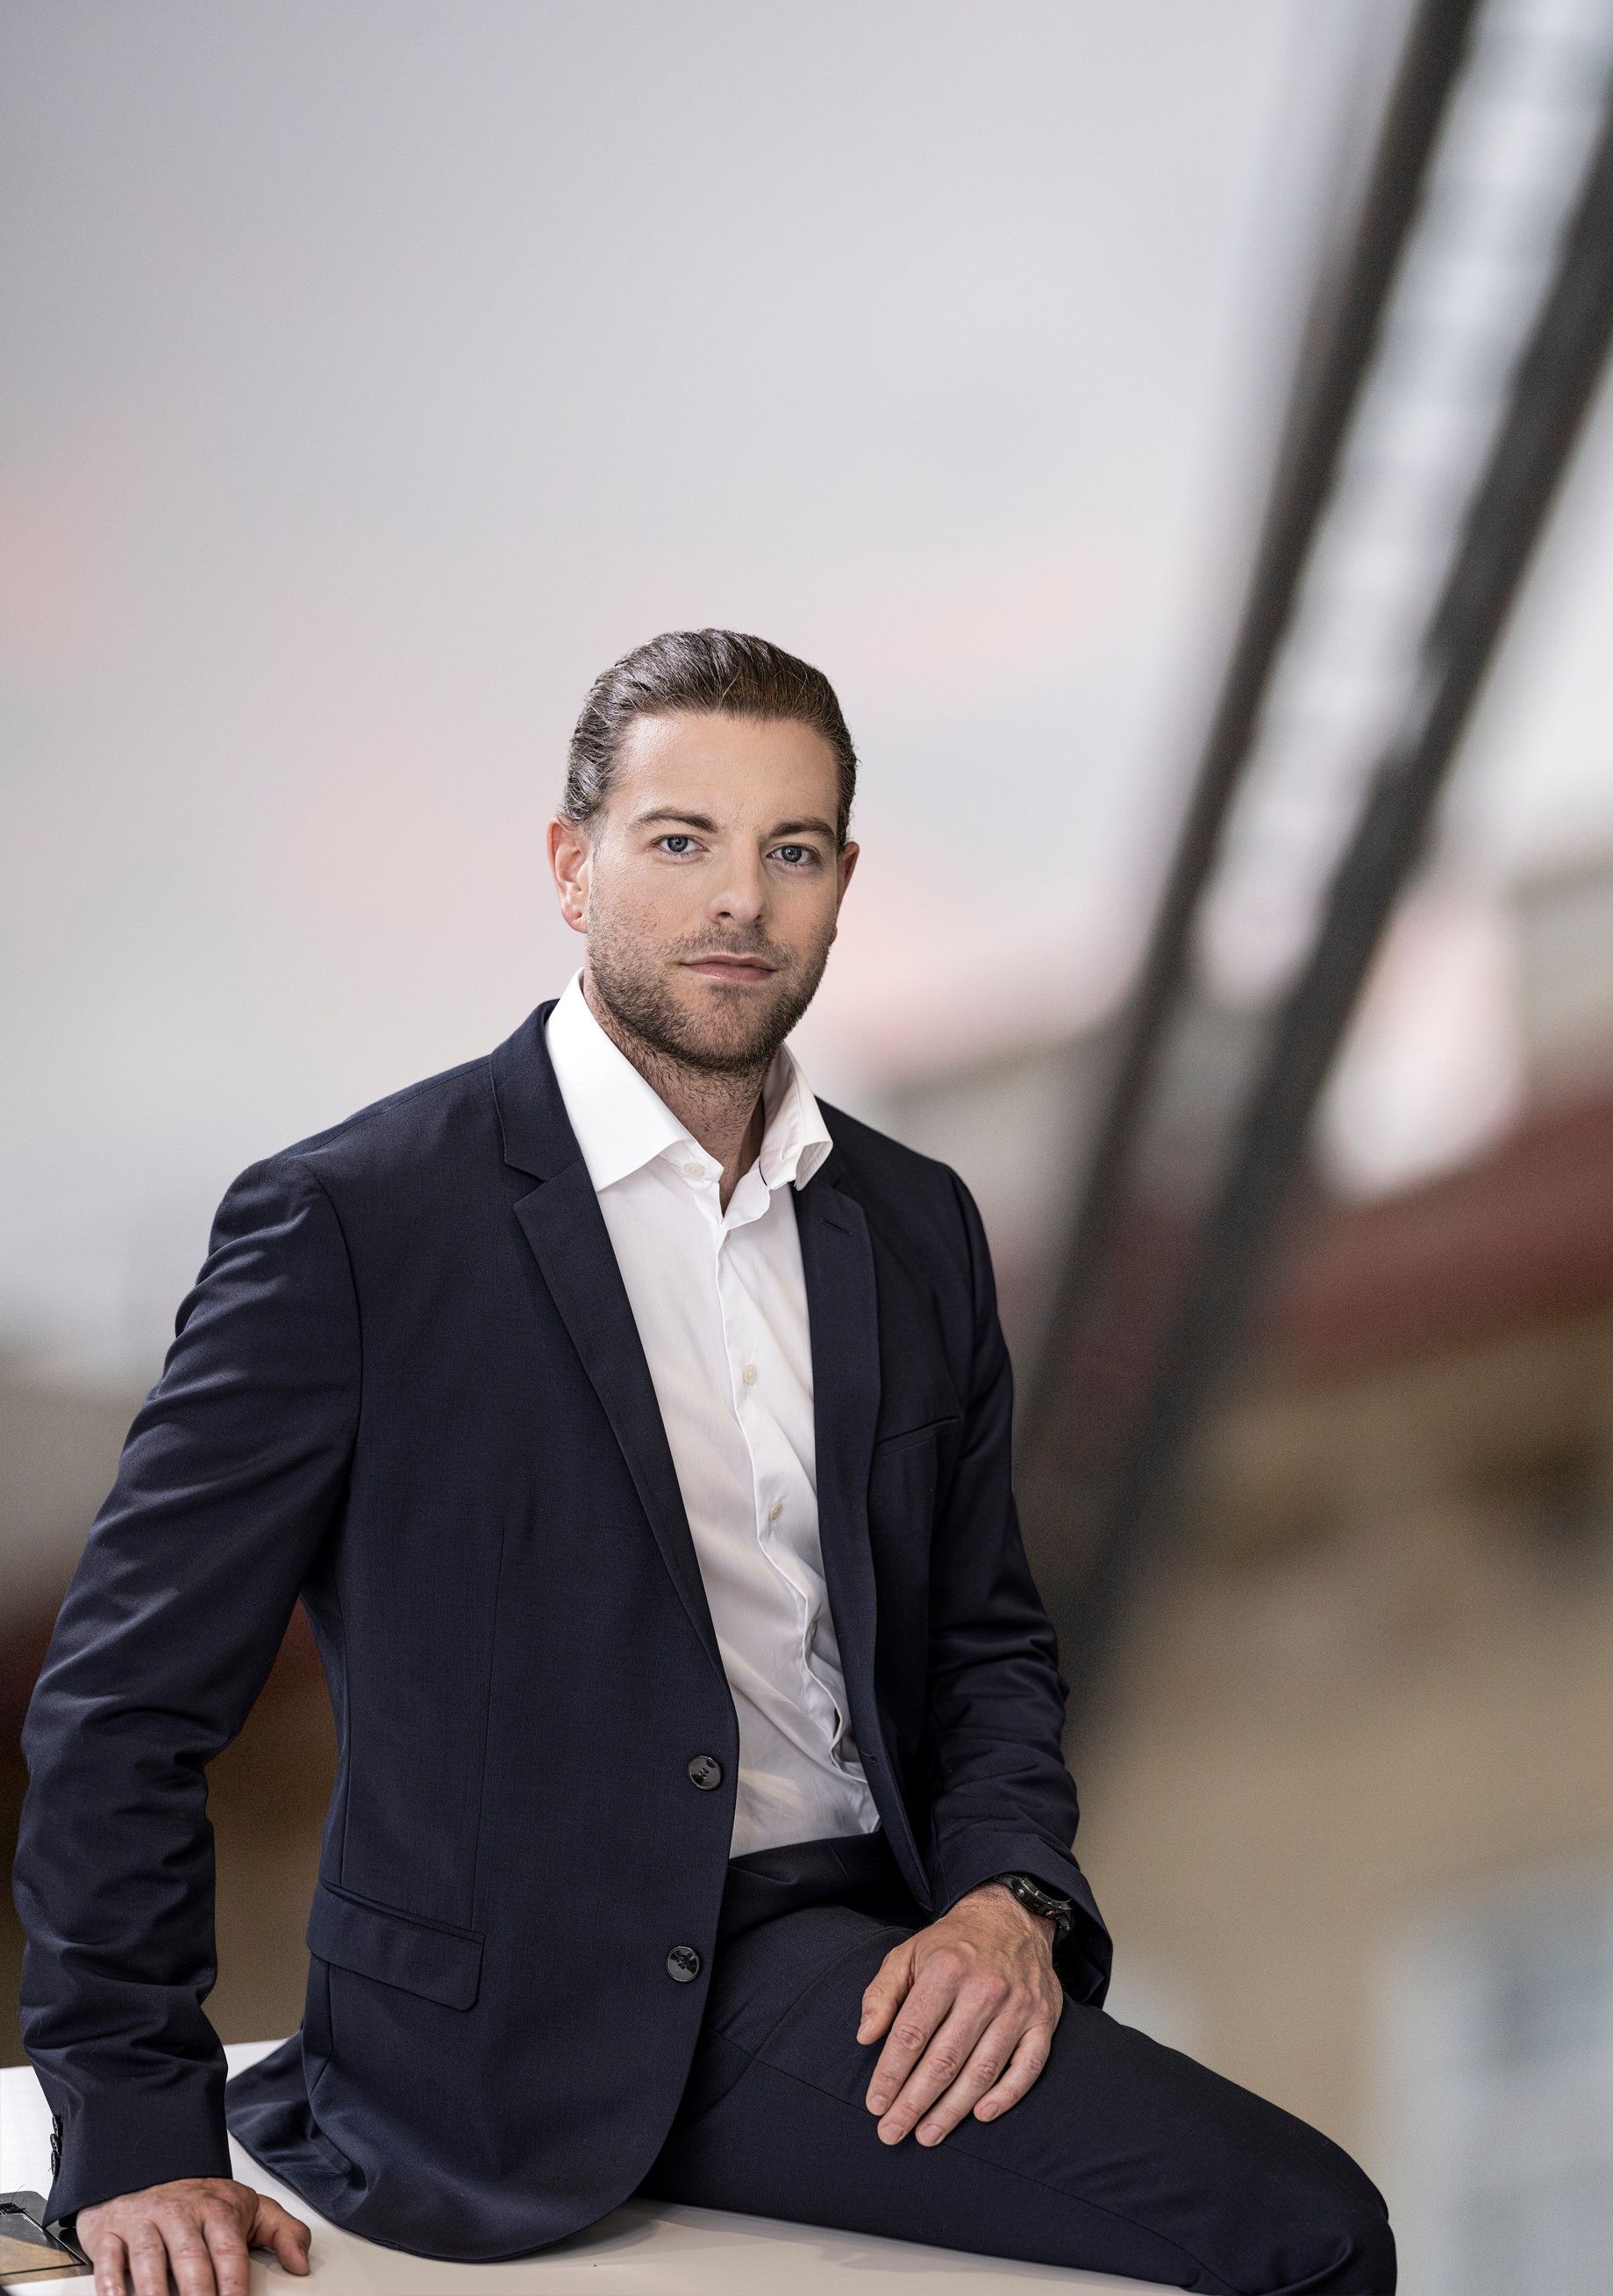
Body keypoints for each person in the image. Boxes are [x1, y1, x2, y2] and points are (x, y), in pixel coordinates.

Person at [14, 632, 1393, 2296]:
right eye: (681, 842)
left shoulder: (911, 1224)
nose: (739, 900)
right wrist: (138, 2135)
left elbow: (985, 1645)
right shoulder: (355, 1225)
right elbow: (121, 1706)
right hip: (528, 2014)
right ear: (571, 865)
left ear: (840, 884)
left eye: (789, 851)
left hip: (861, 1943)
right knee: (1306, 2234)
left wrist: (1008, 1898)